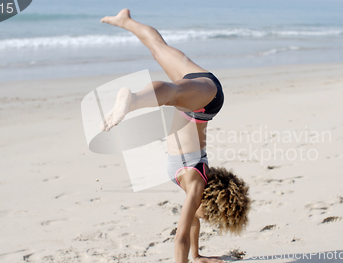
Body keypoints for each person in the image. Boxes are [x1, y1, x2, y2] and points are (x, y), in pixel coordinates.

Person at [100, 9, 251, 263]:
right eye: (210, 216)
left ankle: (125, 20)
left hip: (200, 92)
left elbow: (192, 224)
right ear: (210, 202)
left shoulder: (195, 188)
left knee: (158, 48)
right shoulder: (196, 186)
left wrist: (197, 255)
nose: (203, 218)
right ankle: (133, 99)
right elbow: (180, 236)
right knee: (171, 93)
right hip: (205, 102)